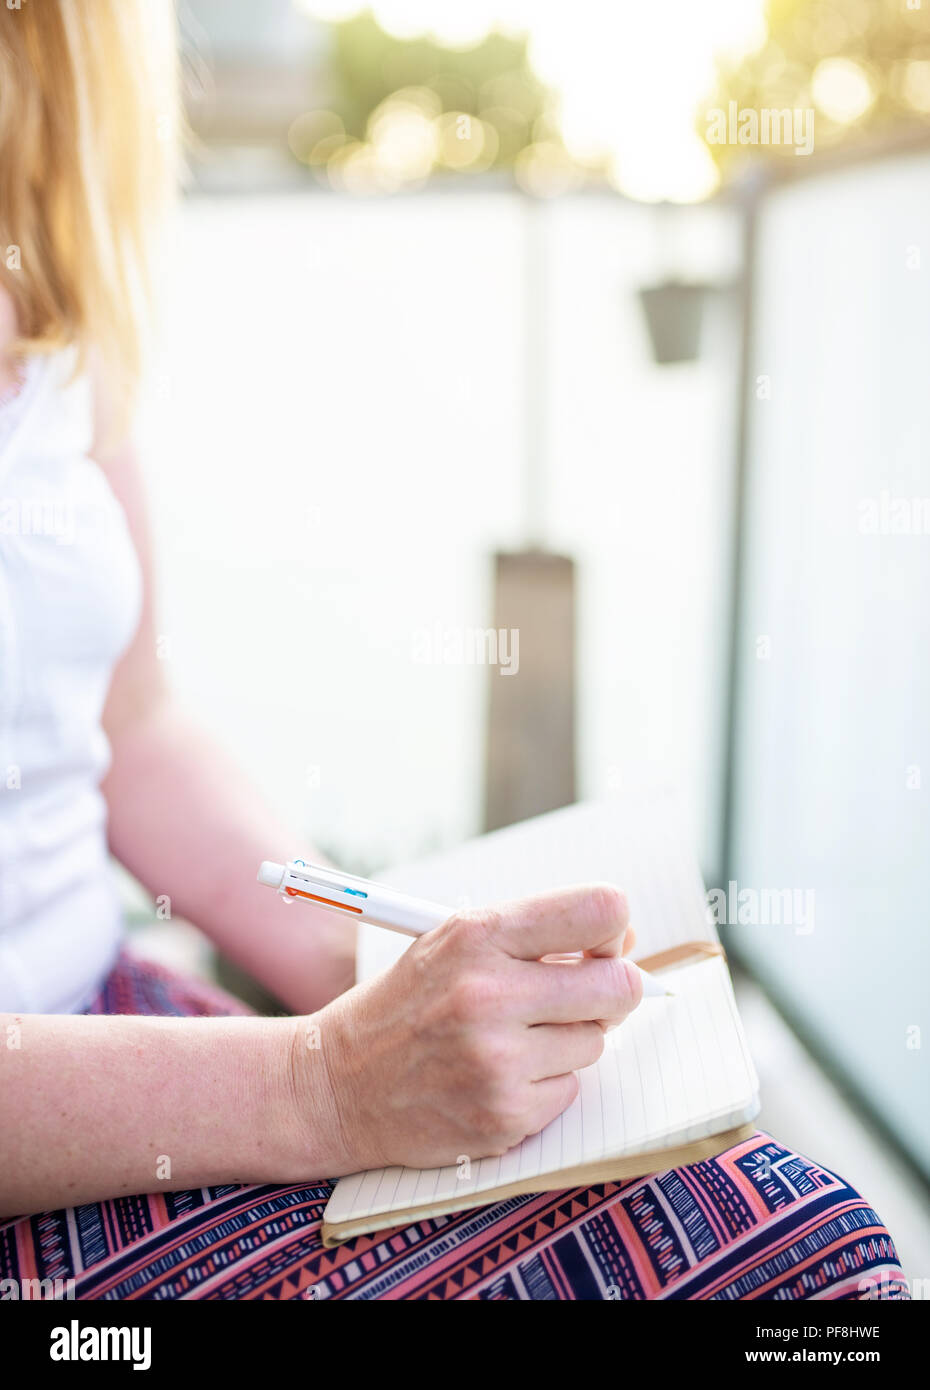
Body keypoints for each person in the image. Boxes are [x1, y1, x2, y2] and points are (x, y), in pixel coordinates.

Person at [0, 1, 907, 1301]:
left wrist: (367, 955)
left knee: (801, 1238)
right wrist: (324, 1081)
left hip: (116, 1022)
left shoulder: (45, 298)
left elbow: (129, 724)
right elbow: (309, 1083)